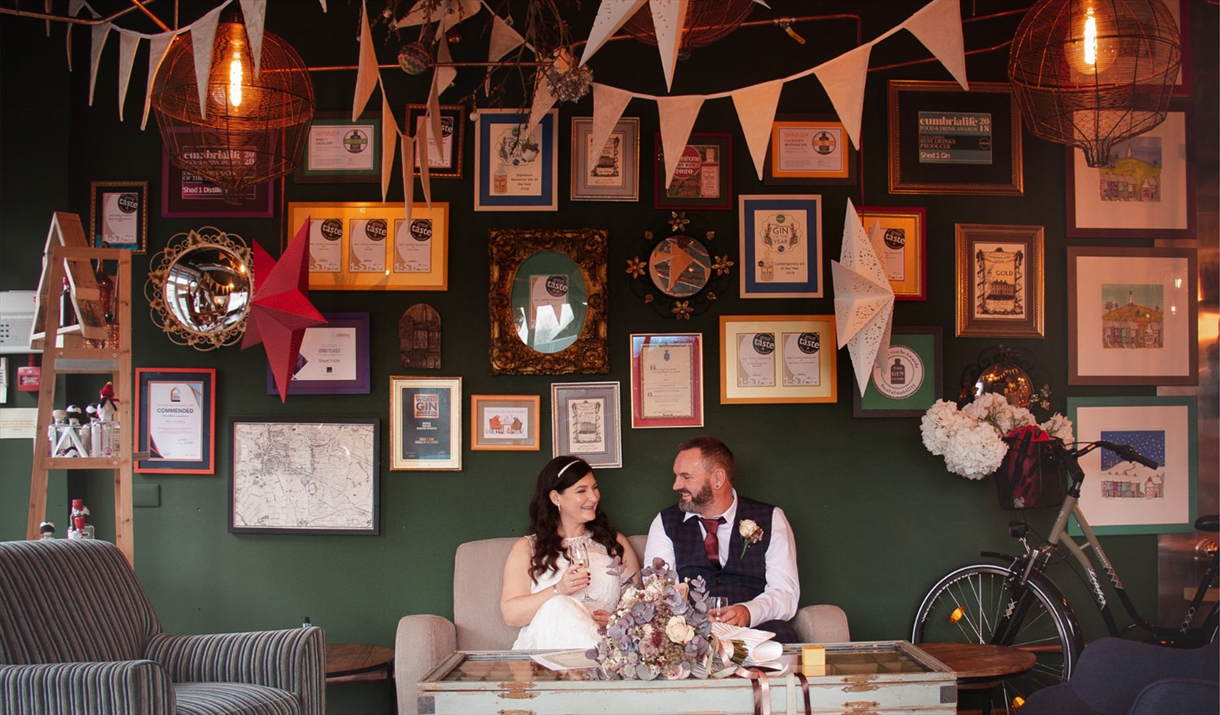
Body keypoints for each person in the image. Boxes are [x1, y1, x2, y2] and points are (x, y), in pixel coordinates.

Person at [644, 436, 801, 643]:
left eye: (686, 477)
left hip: (755, 630)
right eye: (677, 476)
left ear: (718, 479)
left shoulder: (771, 518)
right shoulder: (665, 522)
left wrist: (747, 612)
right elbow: (657, 590)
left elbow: (784, 592)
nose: (676, 485)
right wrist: (691, 621)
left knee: (782, 636)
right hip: (689, 634)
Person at [501, 455, 641, 650]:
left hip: (607, 646)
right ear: (556, 497)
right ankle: (597, 662)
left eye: (594, 487)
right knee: (560, 606)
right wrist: (558, 590)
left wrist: (616, 621)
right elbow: (511, 615)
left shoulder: (615, 543)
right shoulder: (527, 548)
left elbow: (641, 608)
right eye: (581, 491)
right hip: (545, 656)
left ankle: (596, 662)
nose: (593, 497)